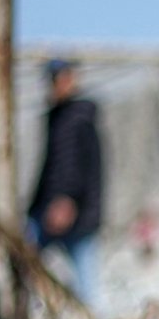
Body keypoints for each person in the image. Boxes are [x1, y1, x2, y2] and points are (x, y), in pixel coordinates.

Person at [27, 59, 104, 305]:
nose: (55, 86)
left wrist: (66, 200)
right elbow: (50, 168)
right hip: (51, 209)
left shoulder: (77, 118)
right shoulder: (59, 117)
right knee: (25, 261)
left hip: (73, 213)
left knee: (87, 285)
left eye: (59, 79)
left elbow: (72, 166)